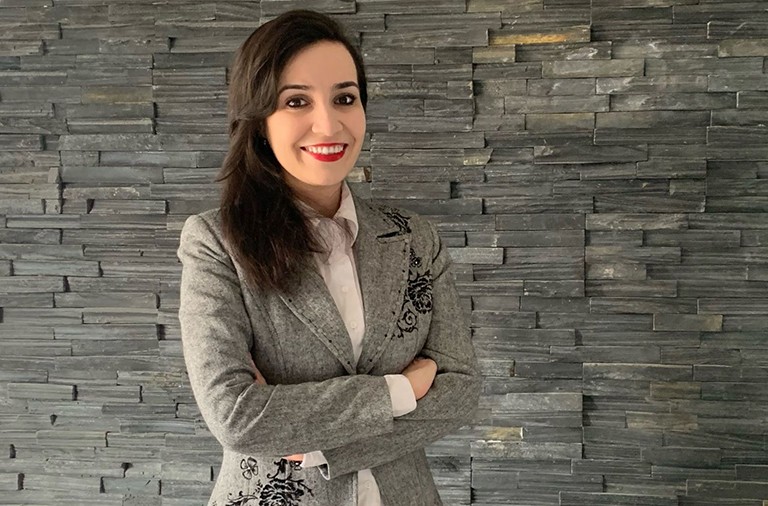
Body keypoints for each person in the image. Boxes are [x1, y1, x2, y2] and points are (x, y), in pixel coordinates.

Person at [176, 9, 481, 506]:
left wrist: (319, 445)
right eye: (296, 101)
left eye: (345, 97)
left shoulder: (414, 239)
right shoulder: (217, 241)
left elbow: (460, 390)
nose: (328, 122)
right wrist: (399, 392)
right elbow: (235, 415)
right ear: (259, 120)